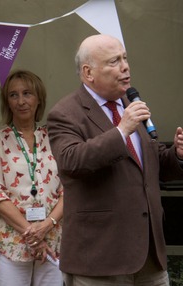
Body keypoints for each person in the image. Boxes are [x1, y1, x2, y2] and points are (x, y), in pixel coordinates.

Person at [47, 34, 183, 285]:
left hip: (150, 255)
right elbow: (72, 161)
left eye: (125, 58)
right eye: (114, 61)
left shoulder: (131, 104)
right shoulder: (65, 113)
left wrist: (177, 155)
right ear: (88, 73)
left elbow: (152, 167)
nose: (125, 66)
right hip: (100, 258)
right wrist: (122, 130)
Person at [0, 70, 64, 286]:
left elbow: (70, 190)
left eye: (27, 93)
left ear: (39, 99)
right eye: (13, 95)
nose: (21, 101)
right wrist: (32, 235)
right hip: (11, 244)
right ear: (7, 102)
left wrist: (46, 226)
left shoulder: (55, 138)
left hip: (52, 241)